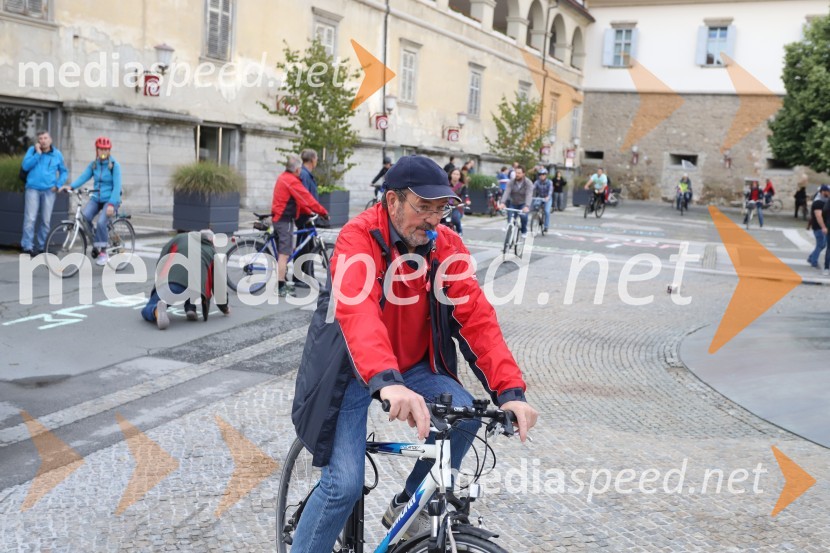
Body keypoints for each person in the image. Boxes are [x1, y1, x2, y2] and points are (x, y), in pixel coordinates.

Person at [290, 155, 538, 552]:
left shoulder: (446, 248)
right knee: (344, 484)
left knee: (464, 413)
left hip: (412, 368)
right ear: (392, 202)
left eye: (440, 209)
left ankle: (408, 504)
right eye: (423, 207)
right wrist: (387, 383)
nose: (433, 218)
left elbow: (478, 320)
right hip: (349, 370)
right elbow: (359, 315)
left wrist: (510, 392)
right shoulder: (358, 238)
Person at [140, 230, 230, 329]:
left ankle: (156, 310)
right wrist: (224, 308)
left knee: (149, 307)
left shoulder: (180, 238)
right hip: (195, 290)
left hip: (172, 282)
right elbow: (219, 285)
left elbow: (164, 253)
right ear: (211, 241)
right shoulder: (212, 252)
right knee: (194, 281)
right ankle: (191, 308)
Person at [271, 155, 329, 297]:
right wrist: (323, 212)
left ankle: (283, 280)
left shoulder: (283, 177)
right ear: (297, 169)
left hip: (279, 218)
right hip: (284, 220)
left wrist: (309, 211)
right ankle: (280, 287)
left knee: (284, 252)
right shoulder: (292, 181)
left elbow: (301, 201)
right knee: (284, 254)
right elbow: (307, 198)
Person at [60, 136, 122, 266]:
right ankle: (98, 240)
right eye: (100, 149)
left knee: (101, 222)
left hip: (111, 200)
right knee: (85, 217)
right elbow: (83, 177)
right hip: (96, 198)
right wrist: (71, 187)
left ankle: (104, 253)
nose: (103, 152)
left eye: (106, 150)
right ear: (97, 150)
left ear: (109, 151)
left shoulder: (114, 166)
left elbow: (117, 187)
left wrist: (111, 204)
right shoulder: (94, 165)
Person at [20, 130, 68, 256]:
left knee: (45, 221)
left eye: (45, 138)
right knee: (30, 219)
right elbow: (25, 166)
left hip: (49, 191)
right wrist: (38, 154)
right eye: (40, 138)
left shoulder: (57, 154)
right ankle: (27, 247)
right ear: (38, 141)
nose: (43, 140)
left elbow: (64, 171)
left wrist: (58, 185)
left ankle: (42, 247)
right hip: (32, 189)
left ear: (50, 140)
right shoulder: (32, 151)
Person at [294, 149, 320, 289]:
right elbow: (303, 196)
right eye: (316, 158)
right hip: (305, 216)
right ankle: (301, 277)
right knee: (304, 246)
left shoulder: (305, 174)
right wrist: (311, 211)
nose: (317, 161)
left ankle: (306, 276)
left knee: (307, 246)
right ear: (311, 160)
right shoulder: (304, 174)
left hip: (307, 215)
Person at [499, 165, 533, 237]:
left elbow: (529, 194)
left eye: (519, 173)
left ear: (523, 174)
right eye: (516, 173)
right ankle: (509, 238)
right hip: (513, 203)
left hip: (523, 204)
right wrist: (502, 202)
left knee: (523, 217)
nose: (517, 175)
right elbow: (506, 192)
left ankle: (524, 231)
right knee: (510, 218)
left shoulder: (528, 183)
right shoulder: (511, 182)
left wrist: (527, 206)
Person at [807, 184, 829, 269]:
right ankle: (814, 261)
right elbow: (818, 216)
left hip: (820, 226)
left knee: (822, 244)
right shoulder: (818, 202)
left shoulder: (823, 200)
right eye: (827, 192)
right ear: (823, 192)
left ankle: (811, 257)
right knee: (821, 244)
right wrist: (823, 227)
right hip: (818, 226)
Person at [533, 167, 552, 232]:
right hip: (540, 197)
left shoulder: (549, 182)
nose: (542, 176)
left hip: (547, 198)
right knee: (535, 205)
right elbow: (533, 188)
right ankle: (537, 217)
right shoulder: (537, 182)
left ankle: (546, 226)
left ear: (546, 175)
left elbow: (550, 191)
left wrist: (548, 197)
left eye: (543, 174)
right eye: (540, 174)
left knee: (547, 211)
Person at [448, 168, 466, 236]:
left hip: (457, 207)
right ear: (451, 175)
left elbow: (465, 195)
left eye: (457, 174)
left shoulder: (462, 186)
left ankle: (459, 232)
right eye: (454, 174)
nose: (455, 176)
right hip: (446, 206)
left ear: (460, 176)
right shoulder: (446, 184)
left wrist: (467, 201)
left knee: (455, 219)